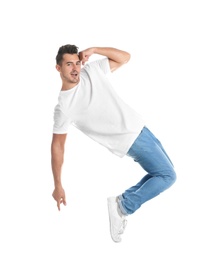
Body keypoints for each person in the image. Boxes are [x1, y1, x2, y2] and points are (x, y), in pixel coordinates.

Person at [51, 44, 176, 243]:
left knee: (161, 173)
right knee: (168, 176)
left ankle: (121, 202)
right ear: (58, 68)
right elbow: (57, 147)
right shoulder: (64, 107)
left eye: (77, 63)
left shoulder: (90, 71)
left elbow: (125, 57)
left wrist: (94, 49)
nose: (75, 68)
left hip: (140, 127)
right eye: (68, 64)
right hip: (129, 139)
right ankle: (123, 206)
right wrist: (58, 185)